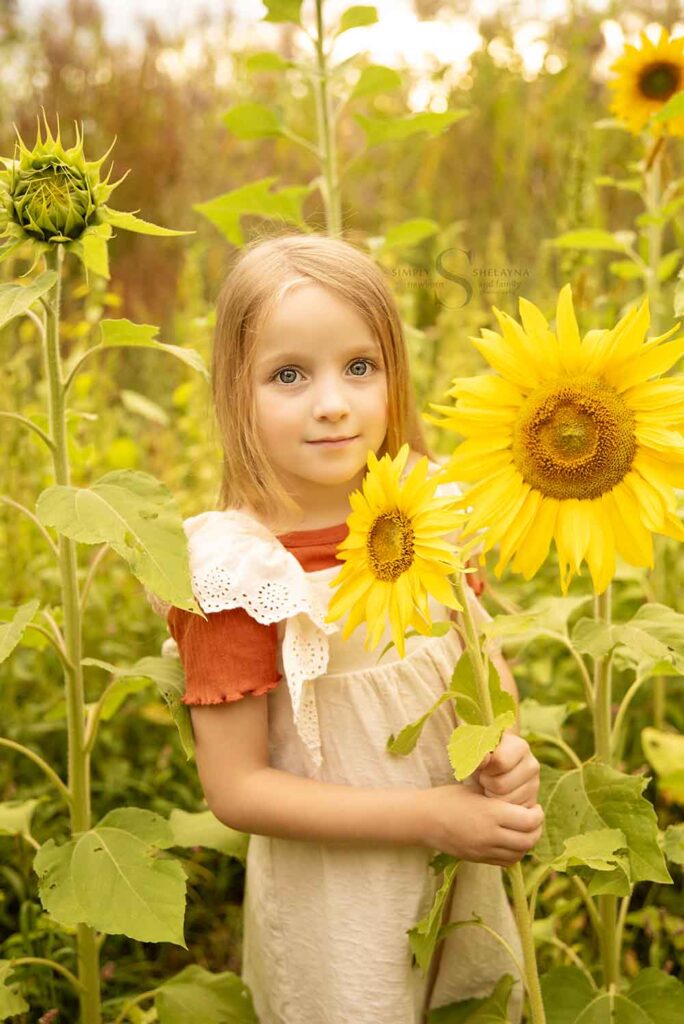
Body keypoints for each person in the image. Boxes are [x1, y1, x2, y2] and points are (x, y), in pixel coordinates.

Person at [146, 233, 543, 1024]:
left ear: (395, 373)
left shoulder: (428, 509)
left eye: (359, 366)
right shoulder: (236, 572)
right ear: (235, 390)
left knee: (472, 1002)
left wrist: (508, 749)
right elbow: (235, 788)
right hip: (336, 897)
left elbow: (480, 661)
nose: (332, 401)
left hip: (457, 864)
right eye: (289, 374)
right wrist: (430, 815)